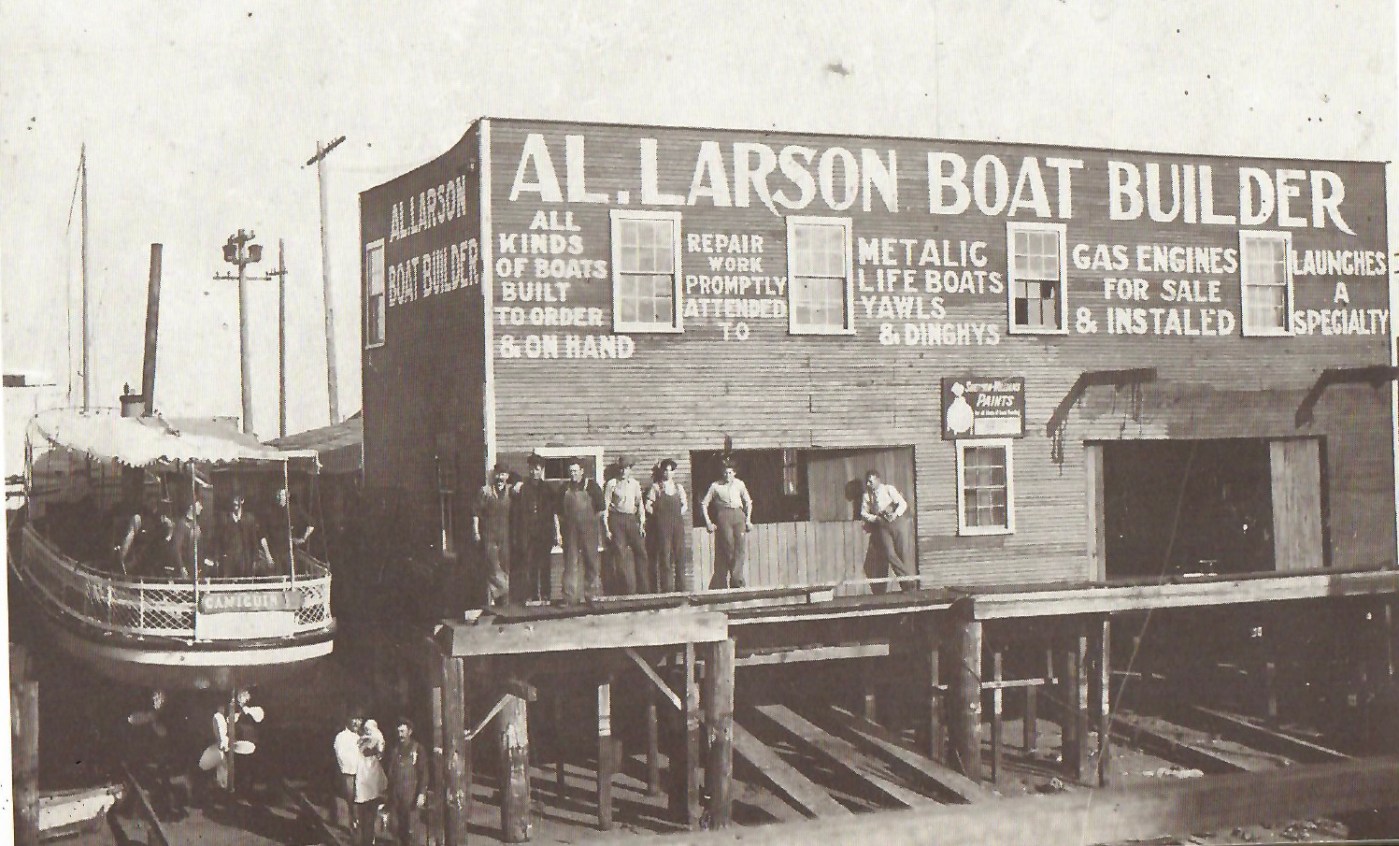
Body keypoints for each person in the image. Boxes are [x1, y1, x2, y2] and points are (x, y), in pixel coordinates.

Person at [127, 689, 188, 820]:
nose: (157, 702)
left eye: (159, 699)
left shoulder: (166, 716)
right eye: (155, 699)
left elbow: (165, 733)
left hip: (161, 756)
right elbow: (132, 720)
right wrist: (149, 718)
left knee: (164, 780)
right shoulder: (145, 714)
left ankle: (165, 809)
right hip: (146, 755)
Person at [513, 454, 561, 603]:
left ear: (542, 470)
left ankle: (546, 596)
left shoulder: (548, 489)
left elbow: (554, 513)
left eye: (537, 469)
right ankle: (532, 596)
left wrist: (557, 533)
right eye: (532, 469)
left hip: (544, 533)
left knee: (544, 565)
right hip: (527, 533)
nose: (534, 472)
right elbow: (515, 512)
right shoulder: (522, 488)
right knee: (529, 565)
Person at [557, 458, 605, 603]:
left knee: (591, 563)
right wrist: (560, 532)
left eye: (575, 471)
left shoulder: (592, 486)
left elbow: (601, 509)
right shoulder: (563, 488)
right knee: (570, 564)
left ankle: (592, 596)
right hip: (570, 532)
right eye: (570, 471)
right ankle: (568, 597)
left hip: (589, 530)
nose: (573, 474)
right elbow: (557, 513)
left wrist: (590, 524)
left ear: (582, 471)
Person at [701, 460, 753, 590]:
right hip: (724, 515)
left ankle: (737, 580)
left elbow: (748, 502)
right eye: (725, 472)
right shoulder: (715, 486)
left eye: (730, 472)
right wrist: (708, 522)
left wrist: (748, 519)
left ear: (734, 473)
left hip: (738, 514)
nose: (727, 475)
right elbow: (704, 503)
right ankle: (737, 580)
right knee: (729, 546)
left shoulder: (740, 484)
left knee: (740, 547)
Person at [860, 470, 914, 593]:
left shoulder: (888, 489)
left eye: (870, 480)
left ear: (878, 480)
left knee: (902, 553)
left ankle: (907, 587)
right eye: (867, 481)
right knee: (890, 554)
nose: (868, 484)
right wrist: (875, 518)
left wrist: (895, 514)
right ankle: (909, 580)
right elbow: (863, 513)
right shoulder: (867, 496)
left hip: (897, 522)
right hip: (882, 525)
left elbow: (902, 504)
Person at [603, 456, 650, 595]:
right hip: (616, 519)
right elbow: (605, 506)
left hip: (631, 519)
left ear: (630, 469)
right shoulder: (612, 483)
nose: (624, 471)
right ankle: (626, 591)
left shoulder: (634, 484)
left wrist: (641, 523)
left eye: (627, 468)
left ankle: (644, 590)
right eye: (622, 468)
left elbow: (639, 504)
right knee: (620, 554)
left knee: (641, 552)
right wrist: (606, 528)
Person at [473, 464, 514, 606]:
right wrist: (476, 532)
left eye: (503, 474)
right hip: (489, 535)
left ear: (507, 476)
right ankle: (503, 594)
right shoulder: (486, 491)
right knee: (493, 567)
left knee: (505, 567)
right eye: (498, 474)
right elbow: (476, 513)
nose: (500, 477)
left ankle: (503, 603)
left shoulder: (510, 492)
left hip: (505, 535)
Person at [646, 458, 690, 593]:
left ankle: (681, 588)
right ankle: (667, 589)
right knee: (665, 556)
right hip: (662, 526)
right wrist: (658, 516)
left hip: (677, 525)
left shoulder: (679, 488)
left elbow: (685, 505)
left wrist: (678, 514)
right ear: (662, 472)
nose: (668, 473)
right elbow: (647, 506)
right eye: (666, 470)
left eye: (671, 471)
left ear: (674, 473)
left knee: (680, 555)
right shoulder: (656, 487)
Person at [386, 717, 429, 846]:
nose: (400, 735)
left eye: (403, 731)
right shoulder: (394, 750)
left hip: (411, 797)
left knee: (411, 831)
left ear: (409, 732)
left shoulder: (418, 749)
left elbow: (424, 774)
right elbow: (390, 774)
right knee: (396, 829)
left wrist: (422, 793)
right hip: (396, 797)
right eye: (398, 732)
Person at [212, 492, 266, 578]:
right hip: (229, 561)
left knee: (245, 583)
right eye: (233, 501)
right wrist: (217, 557)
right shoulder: (225, 519)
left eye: (237, 500)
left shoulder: (249, 519)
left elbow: (254, 540)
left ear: (242, 501)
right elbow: (219, 541)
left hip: (245, 560)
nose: (235, 503)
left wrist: (255, 559)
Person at [264, 486, 315, 575]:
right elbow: (263, 535)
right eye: (278, 495)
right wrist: (268, 555)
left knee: (291, 577)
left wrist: (303, 538)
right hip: (275, 552)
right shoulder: (270, 512)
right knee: (277, 579)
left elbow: (312, 523)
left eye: (283, 494)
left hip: (290, 552)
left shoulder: (295, 510)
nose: (280, 497)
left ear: (288, 495)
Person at [354, 719, 389, 846]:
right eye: (366, 728)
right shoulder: (365, 737)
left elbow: (374, 749)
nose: (367, 730)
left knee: (372, 797)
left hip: (371, 768)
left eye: (369, 728)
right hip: (364, 768)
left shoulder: (376, 736)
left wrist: (367, 744)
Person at [334, 711, 366, 835]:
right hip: (349, 775)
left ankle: (362, 829)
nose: (356, 722)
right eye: (354, 719)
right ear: (348, 719)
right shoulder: (341, 737)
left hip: (363, 775)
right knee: (353, 802)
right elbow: (342, 757)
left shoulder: (362, 736)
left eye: (359, 720)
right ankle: (353, 828)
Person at [231, 688, 265, 801]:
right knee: (240, 770)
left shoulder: (256, 710)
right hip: (238, 746)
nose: (241, 700)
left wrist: (246, 710)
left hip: (251, 746)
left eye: (244, 697)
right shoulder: (236, 713)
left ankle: (247, 792)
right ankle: (238, 792)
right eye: (240, 698)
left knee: (249, 770)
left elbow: (259, 718)